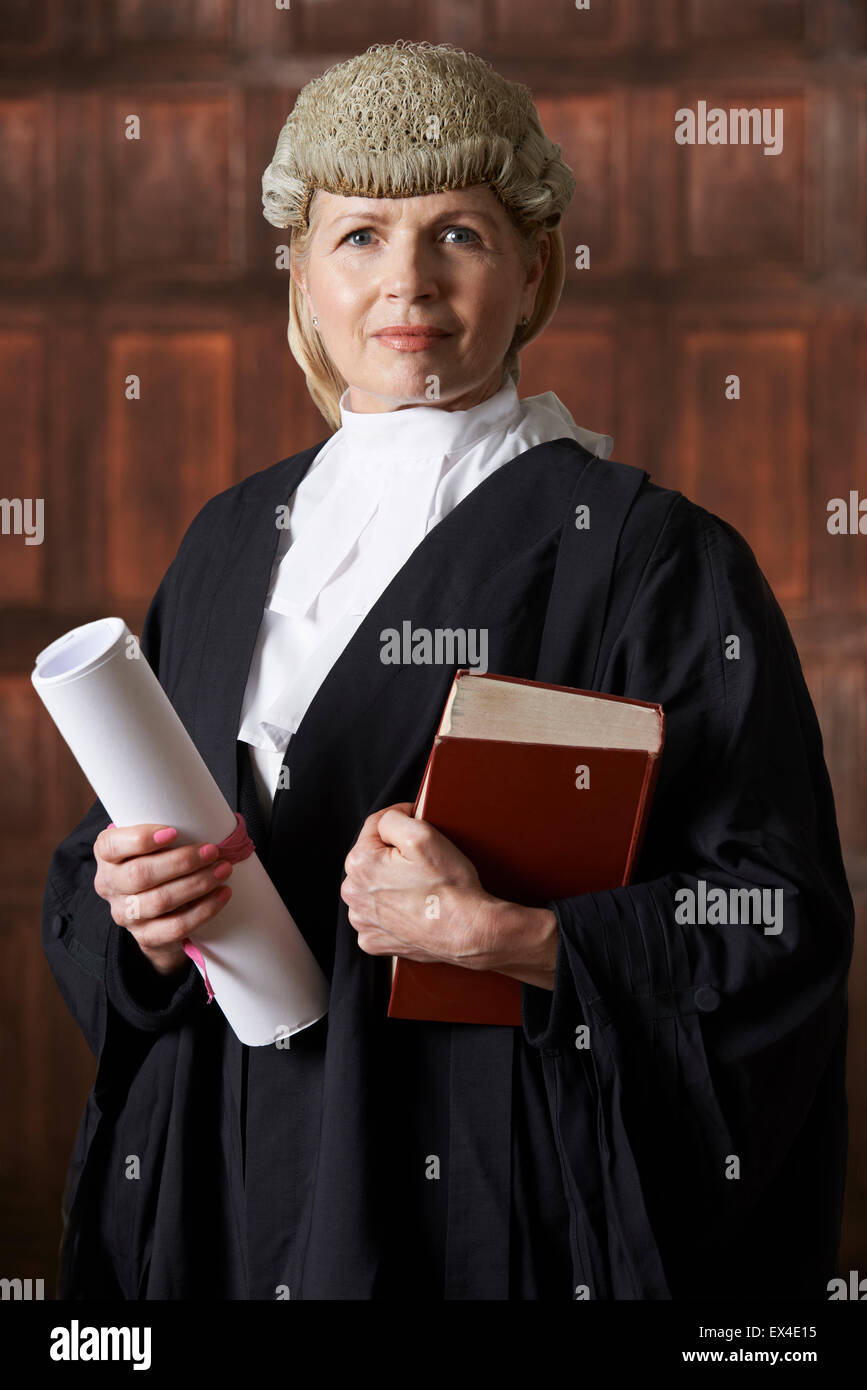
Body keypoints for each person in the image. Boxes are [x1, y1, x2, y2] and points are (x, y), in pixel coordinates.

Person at [42, 39, 852, 1301]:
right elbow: (106, 862)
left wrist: (519, 939)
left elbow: (776, 914)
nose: (405, 281)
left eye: (458, 233)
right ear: (301, 273)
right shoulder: (224, 539)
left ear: (535, 261)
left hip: (483, 1199)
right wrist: (132, 914)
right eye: (359, 236)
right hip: (220, 1180)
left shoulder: (649, 558)